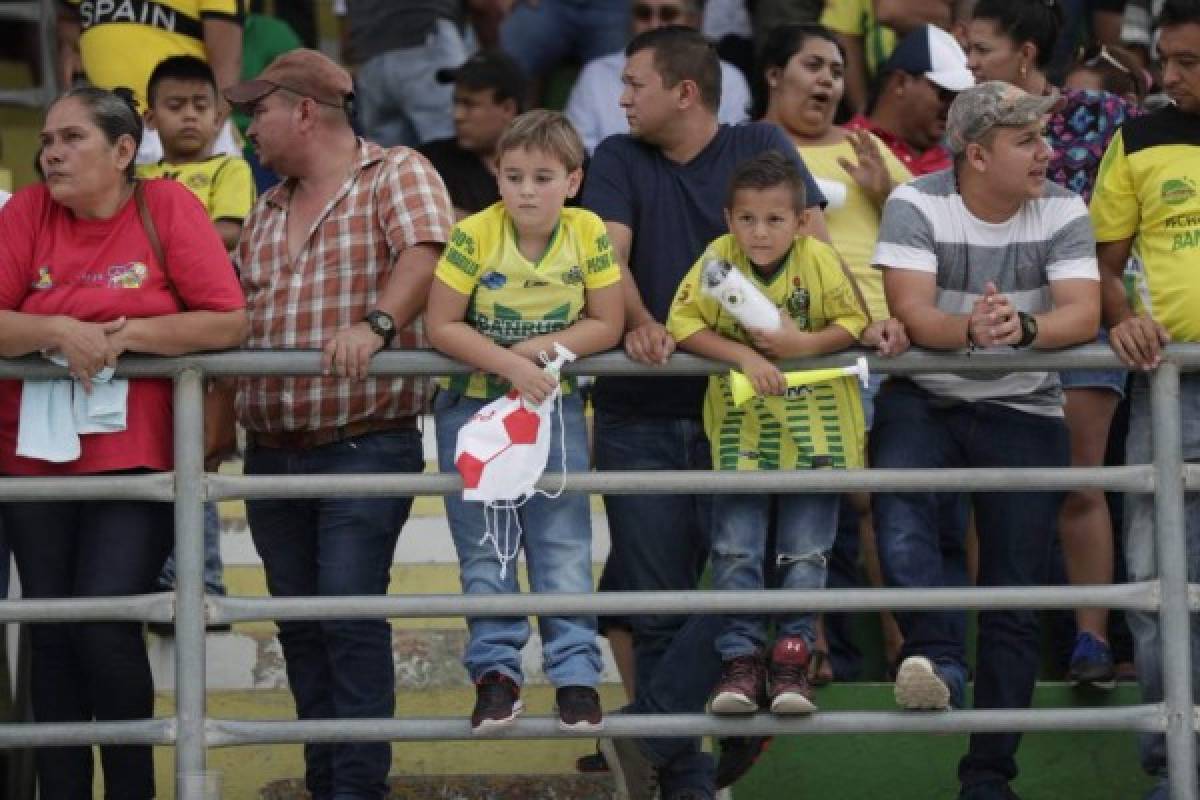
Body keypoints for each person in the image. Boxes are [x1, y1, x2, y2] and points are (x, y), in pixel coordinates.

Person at [578, 24, 841, 800]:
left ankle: (654, 732)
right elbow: (609, 261)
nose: (620, 96)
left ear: (684, 92)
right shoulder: (619, 156)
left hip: (753, 411)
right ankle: (685, 780)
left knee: (745, 588)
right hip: (639, 411)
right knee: (660, 605)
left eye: (634, 83)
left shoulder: (758, 140)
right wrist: (639, 322)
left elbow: (816, 254)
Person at [0, 87, 246, 799]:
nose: (51, 151)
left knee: (106, 620)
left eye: (71, 138)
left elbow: (226, 320)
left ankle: (133, 787)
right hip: (30, 455)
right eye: (47, 138)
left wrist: (127, 336)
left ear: (122, 150)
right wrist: (57, 331)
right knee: (51, 627)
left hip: (137, 457)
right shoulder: (27, 211)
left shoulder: (167, 207)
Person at [225, 49, 454, 798]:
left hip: (364, 439)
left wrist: (378, 323)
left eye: (257, 110)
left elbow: (426, 252)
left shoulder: (395, 171)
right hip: (272, 449)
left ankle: (354, 788)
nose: (247, 125)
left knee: (347, 618)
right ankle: (332, 782)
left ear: (303, 110)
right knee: (303, 628)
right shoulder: (263, 207)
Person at [872, 81, 1100, 800]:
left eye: (1044, 137)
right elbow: (908, 312)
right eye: (1027, 140)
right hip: (928, 397)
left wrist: (1022, 330)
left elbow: (1083, 314)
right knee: (900, 514)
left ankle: (989, 778)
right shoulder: (913, 201)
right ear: (976, 153)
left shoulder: (1065, 205)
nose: (1048, 152)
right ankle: (936, 657)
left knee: (1014, 598)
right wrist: (974, 330)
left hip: (1026, 406)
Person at [426, 109, 623, 735]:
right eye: (514, 176)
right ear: (497, 177)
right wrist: (511, 367)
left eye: (543, 177)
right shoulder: (473, 235)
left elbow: (607, 323)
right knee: (487, 543)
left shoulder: (588, 230)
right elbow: (441, 325)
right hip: (470, 405)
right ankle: (497, 677)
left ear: (573, 180)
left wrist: (534, 359)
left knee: (563, 543)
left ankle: (575, 679)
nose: (527, 190)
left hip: (552, 404)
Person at [968, 0, 1141, 690]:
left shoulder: (1105, 118)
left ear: (1026, 55)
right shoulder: (967, 119)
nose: (972, 62)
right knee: (991, 488)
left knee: (1078, 481)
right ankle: (995, 645)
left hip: (1080, 314)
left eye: (983, 48)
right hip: (988, 314)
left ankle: (1091, 640)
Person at [667, 150, 868, 715]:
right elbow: (682, 323)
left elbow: (854, 322)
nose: (759, 232)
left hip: (817, 436)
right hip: (742, 432)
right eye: (748, 219)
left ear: (802, 221)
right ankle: (740, 661)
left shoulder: (819, 261)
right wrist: (742, 357)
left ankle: (791, 659)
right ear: (729, 219)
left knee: (806, 552)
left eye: (775, 219)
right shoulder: (716, 260)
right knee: (735, 548)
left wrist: (800, 345)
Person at [1089, 1, 1200, 794]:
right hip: (1171, 392)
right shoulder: (1137, 138)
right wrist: (1123, 321)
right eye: (1166, 59)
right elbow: (1102, 270)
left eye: (1190, 62)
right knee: (1160, 588)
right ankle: (1172, 774)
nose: (1169, 78)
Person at [137, 54, 255, 614]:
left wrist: (153, 254)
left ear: (220, 114)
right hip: (155, 334)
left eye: (200, 106)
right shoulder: (138, 178)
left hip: (207, 336)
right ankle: (163, 581)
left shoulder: (231, 170)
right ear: (149, 116)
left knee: (198, 461)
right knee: (158, 461)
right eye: (174, 105)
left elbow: (227, 234)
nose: (188, 117)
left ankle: (202, 583)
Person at [56, 0, 245, 165]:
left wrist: (207, 131)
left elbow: (227, 63)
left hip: (182, 125)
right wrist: (72, 47)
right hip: (109, 126)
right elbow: (68, 16)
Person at [565, 0, 752, 154]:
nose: (655, 24)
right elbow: (574, 155)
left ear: (695, 20)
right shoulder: (595, 75)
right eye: (643, 13)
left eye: (668, 14)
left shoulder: (730, 80)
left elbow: (732, 154)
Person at [846, 23, 975, 176]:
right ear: (901, 83)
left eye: (959, 99)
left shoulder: (958, 167)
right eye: (945, 94)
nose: (953, 108)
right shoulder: (840, 143)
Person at [334, 0, 467, 148]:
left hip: (370, 53)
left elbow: (345, 31)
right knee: (452, 147)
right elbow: (484, 5)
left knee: (391, 162)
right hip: (426, 38)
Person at [419, 50, 526, 218]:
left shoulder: (547, 165)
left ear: (507, 109)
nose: (457, 115)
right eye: (456, 102)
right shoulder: (429, 162)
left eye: (470, 105)